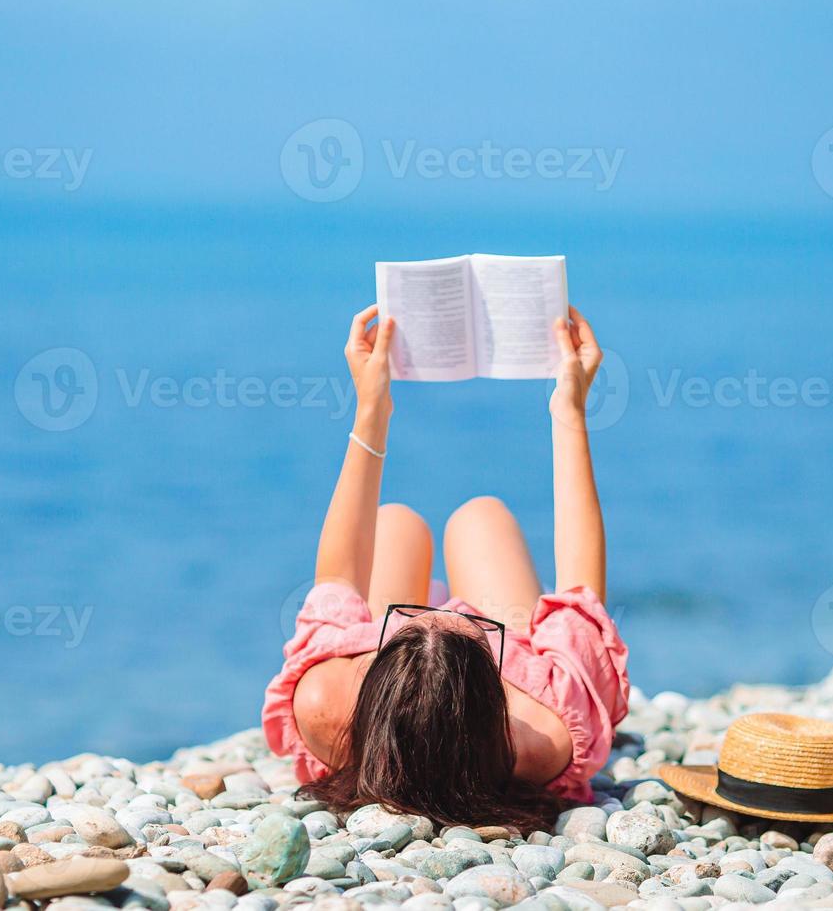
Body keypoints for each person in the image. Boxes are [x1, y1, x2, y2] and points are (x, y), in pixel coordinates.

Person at [261, 304, 629, 833]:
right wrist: (569, 408)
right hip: (490, 693)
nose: (446, 610)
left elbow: (337, 576)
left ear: (372, 689)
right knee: (480, 516)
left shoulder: (325, 704)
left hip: (414, 697)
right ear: (497, 706)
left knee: (396, 523)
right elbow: (581, 593)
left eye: (410, 623)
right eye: (470, 628)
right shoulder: (546, 730)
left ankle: (419, 637)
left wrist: (372, 409)